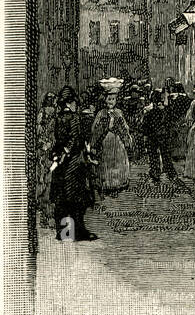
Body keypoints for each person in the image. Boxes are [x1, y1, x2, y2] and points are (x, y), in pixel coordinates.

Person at [49, 85, 97, 241]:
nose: (76, 104)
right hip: (74, 163)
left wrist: (57, 156)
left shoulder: (58, 118)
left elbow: (58, 140)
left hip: (62, 165)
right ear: (69, 102)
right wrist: (66, 153)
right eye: (74, 101)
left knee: (62, 200)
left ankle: (64, 233)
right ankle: (79, 232)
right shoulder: (75, 117)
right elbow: (74, 139)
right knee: (77, 200)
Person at [90, 91, 133, 195]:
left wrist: (127, 138)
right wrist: (94, 142)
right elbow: (95, 129)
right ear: (105, 100)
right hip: (105, 140)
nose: (111, 101)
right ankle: (107, 184)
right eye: (109, 99)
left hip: (117, 140)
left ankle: (118, 183)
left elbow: (124, 127)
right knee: (106, 161)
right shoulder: (101, 113)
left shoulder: (118, 112)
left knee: (118, 160)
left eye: (113, 99)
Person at [141, 90, 177, 185]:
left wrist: (146, 135)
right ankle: (170, 173)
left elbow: (144, 126)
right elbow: (169, 124)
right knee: (165, 155)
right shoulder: (165, 112)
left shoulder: (149, 113)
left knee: (154, 156)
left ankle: (156, 172)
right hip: (162, 136)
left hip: (152, 136)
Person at [36, 92, 57, 229]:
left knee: (48, 185)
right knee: (45, 185)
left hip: (50, 153)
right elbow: (38, 132)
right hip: (45, 154)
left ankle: (48, 216)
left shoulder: (54, 114)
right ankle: (46, 216)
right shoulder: (43, 114)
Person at [168, 83, 190, 163]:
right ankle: (182, 154)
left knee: (176, 136)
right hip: (184, 118)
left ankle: (176, 154)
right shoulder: (186, 98)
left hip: (177, 119)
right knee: (183, 137)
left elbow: (172, 110)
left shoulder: (175, 98)